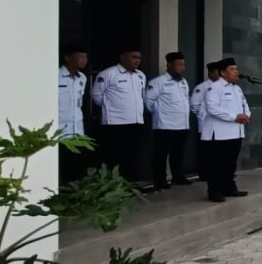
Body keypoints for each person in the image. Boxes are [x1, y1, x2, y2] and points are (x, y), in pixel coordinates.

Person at [91, 46, 146, 182]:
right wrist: (113, 108)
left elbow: (141, 96)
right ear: (122, 57)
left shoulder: (140, 75)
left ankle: (130, 184)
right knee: (113, 157)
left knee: (131, 156)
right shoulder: (109, 74)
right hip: (115, 124)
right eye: (134, 57)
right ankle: (112, 186)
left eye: (139, 58)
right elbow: (96, 96)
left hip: (135, 122)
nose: (137, 61)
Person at [202, 58, 250, 203]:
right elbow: (212, 108)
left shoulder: (237, 88)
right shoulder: (214, 88)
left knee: (231, 163)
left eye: (236, 69)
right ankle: (214, 191)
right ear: (223, 72)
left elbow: (245, 105)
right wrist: (234, 117)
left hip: (236, 132)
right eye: (232, 69)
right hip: (220, 133)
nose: (236, 72)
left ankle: (229, 187)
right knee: (217, 164)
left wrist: (246, 115)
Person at [146, 52, 191, 190]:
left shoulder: (183, 82)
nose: (182, 67)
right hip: (164, 125)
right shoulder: (158, 82)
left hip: (182, 124)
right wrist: (162, 114)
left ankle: (178, 176)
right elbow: (148, 102)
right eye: (179, 64)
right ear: (169, 65)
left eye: (183, 64)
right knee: (160, 155)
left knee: (178, 153)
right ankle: (160, 181)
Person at [58, 44, 89, 183]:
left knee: (77, 167)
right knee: (62, 166)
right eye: (81, 56)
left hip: (78, 130)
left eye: (86, 57)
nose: (84, 60)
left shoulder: (82, 78)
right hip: (60, 130)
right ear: (68, 58)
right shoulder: (56, 75)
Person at [191, 61, 221, 182]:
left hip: (220, 126)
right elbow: (194, 105)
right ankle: (204, 174)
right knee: (206, 152)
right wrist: (202, 116)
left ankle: (217, 173)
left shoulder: (222, 87)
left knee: (217, 152)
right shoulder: (202, 87)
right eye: (218, 72)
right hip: (205, 125)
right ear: (211, 73)